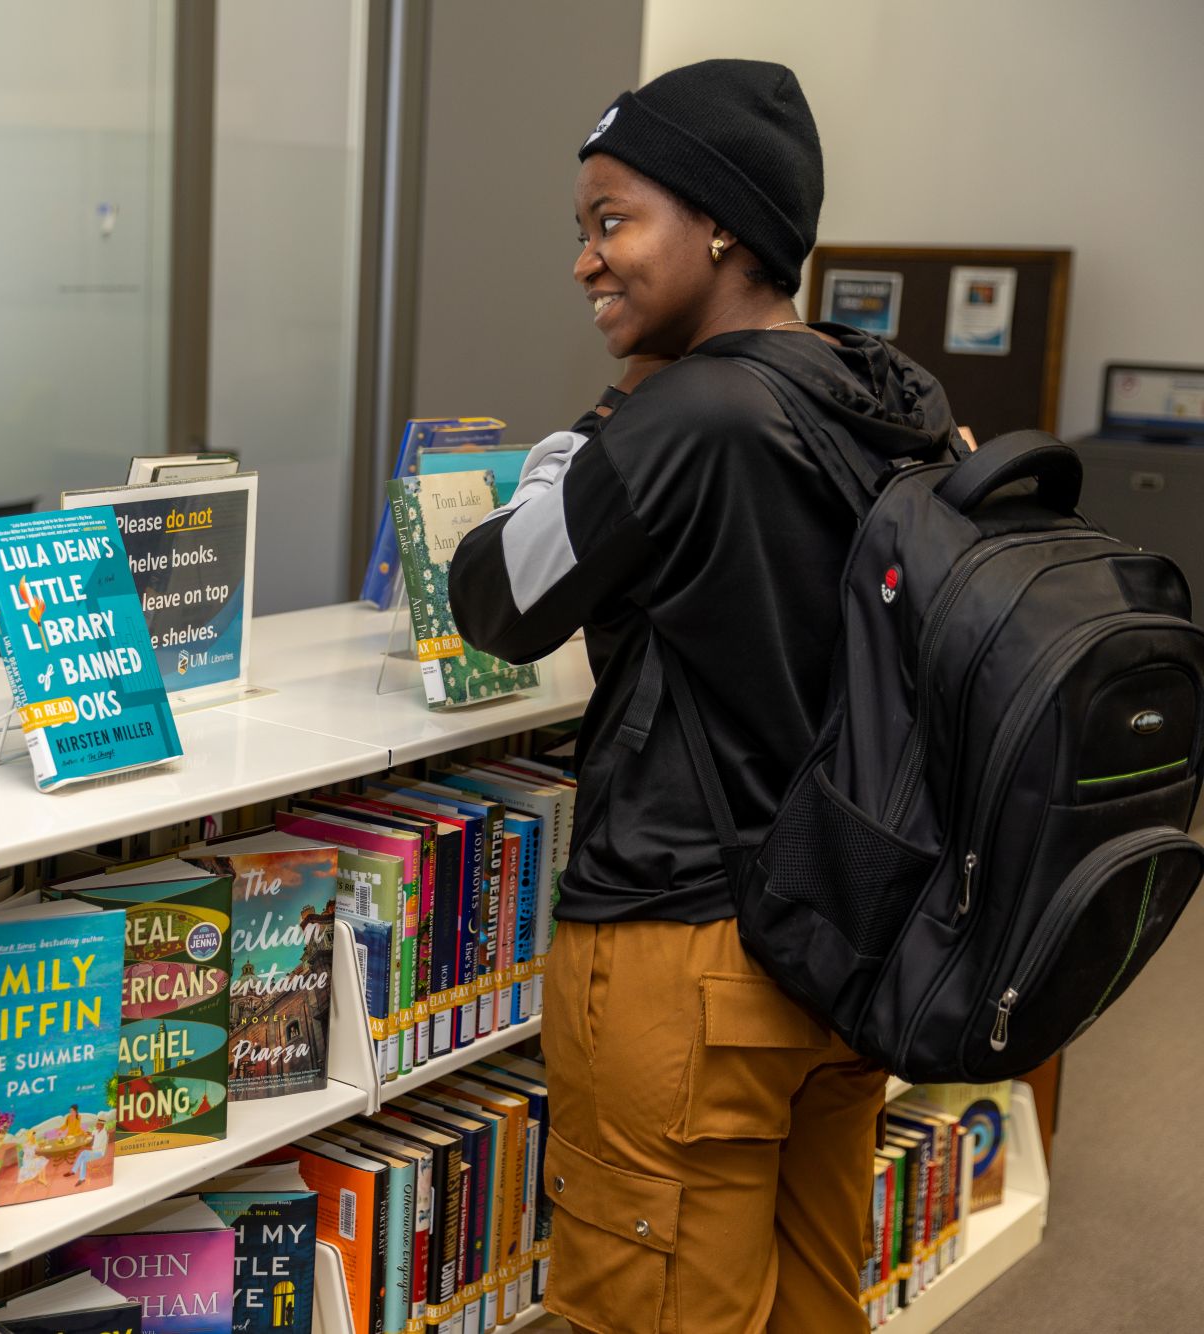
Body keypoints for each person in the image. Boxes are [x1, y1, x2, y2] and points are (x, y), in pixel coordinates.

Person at [448, 60, 959, 1333]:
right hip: (842, 942)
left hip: (684, 959)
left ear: (722, 220)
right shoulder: (894, 406)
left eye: (612, 218)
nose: (585, 260)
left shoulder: (685, 414)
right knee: (810, 1305)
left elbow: (498, 600)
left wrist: (578, 440)